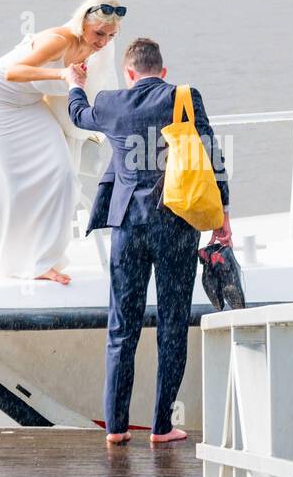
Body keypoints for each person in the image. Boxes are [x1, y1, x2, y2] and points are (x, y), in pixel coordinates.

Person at [68, 36, 231, 446]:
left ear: (129, 73)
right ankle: (161, 427)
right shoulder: (184, 98)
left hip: (128, 227)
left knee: (122, 328)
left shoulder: (110, 103)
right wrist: (222, 219)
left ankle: (116, 428)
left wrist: (74, 81)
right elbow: (212, 156)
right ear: (163, 71)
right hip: (176, 225)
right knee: (172, 326)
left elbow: (79, 115)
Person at [0, 0, 124, 284]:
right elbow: (13, 72)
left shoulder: (97, 48)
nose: (103, 42)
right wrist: (63, 73)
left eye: (111, 35)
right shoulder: (58, 40)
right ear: (82, 24)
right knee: (11, 183)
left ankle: (44, 259)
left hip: (29, 104)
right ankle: (14, 259)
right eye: (98, 34)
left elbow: (105, 82)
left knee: (62, 174)